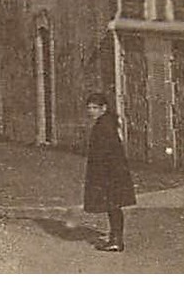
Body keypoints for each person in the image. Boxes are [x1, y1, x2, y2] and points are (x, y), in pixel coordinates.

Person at [83, 91, 136, 252]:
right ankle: (114, 237)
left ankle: (116, 241)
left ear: (103, 108)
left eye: (94, 108)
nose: (91, 111)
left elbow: (106, 151)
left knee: (113, 205)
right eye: (89, 108)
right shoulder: (106, 123)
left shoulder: (104, 126)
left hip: (109, 172)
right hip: (112, 171)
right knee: (113, 205)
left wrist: (101, 173)